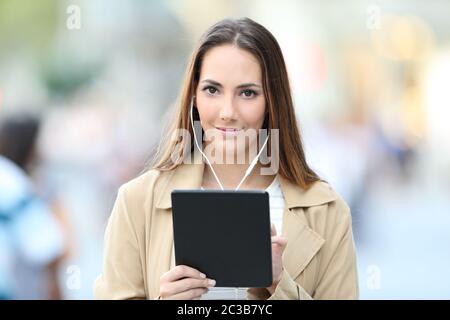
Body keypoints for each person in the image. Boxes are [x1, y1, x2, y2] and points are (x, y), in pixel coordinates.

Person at [94, 17, 359, 300]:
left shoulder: (327, 211)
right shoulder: (137, 202)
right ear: (193, 96)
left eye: (247, 93)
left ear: (273, 100)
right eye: (212, 90)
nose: (227, 111)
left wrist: (278, 284)